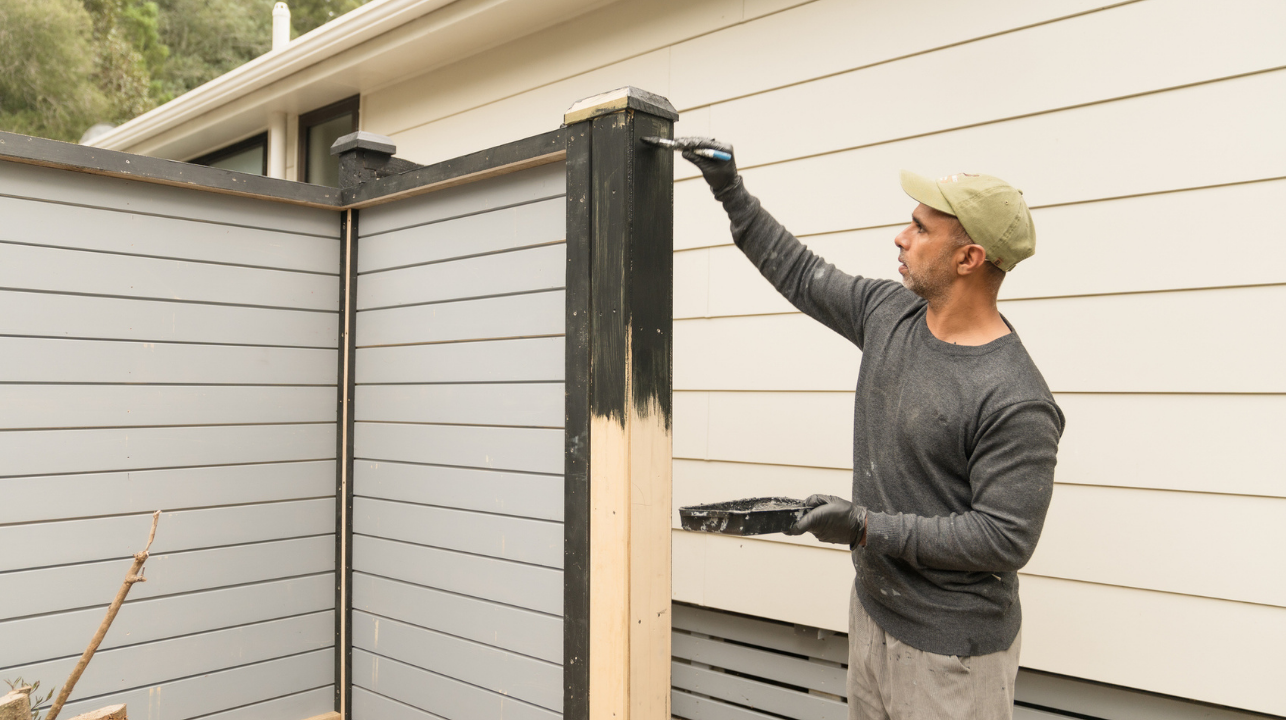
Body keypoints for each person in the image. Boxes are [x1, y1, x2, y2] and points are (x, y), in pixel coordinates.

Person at [663, 137, 1065, 720]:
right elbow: (800, 272)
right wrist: (730, 191)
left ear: (969, 258)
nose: (901, 237)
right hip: (874, 612)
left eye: (921, 229)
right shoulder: (889, 313)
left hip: (952, 653)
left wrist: (865, 526)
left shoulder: (1014, 397)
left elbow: (1003, 539)